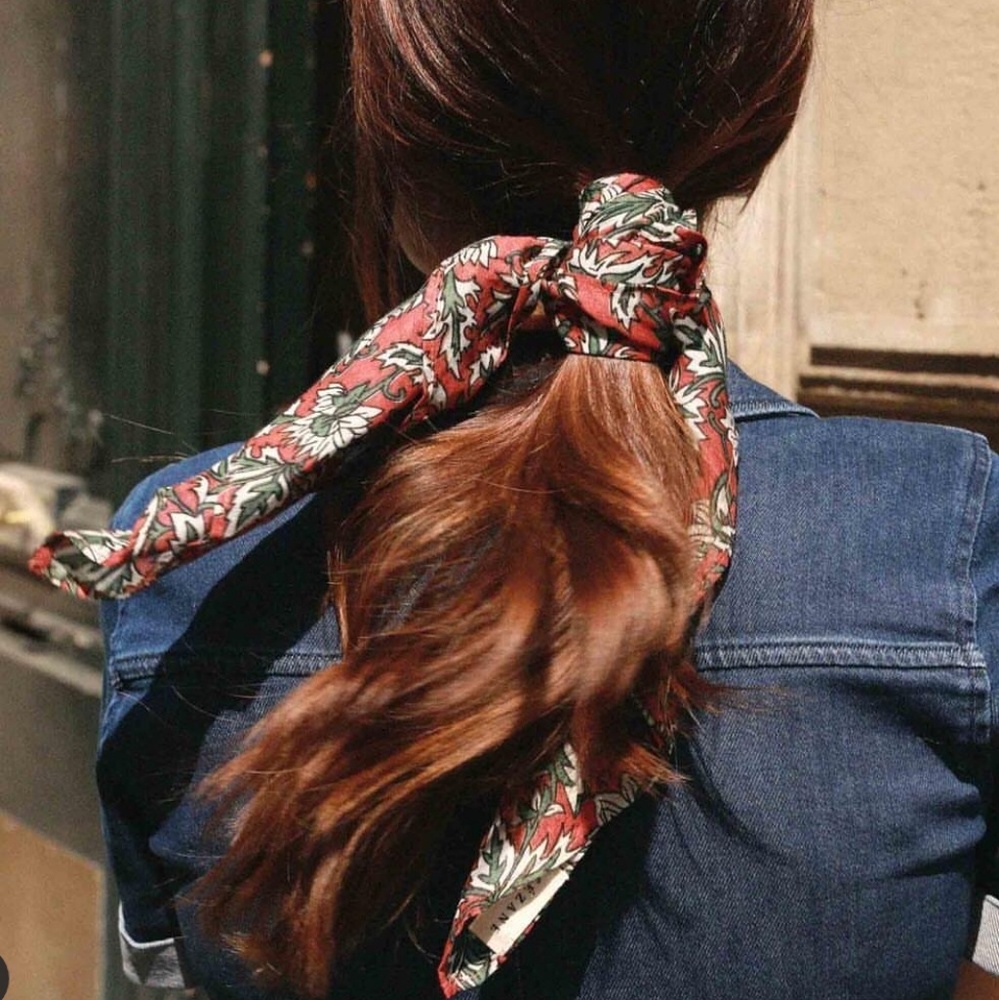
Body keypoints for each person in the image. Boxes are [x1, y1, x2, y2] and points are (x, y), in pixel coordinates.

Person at [29, 1, 999, 998]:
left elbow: (175, 973)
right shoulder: (939, 538)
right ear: (753, 130)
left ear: (395, 152)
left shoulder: (197, 569)